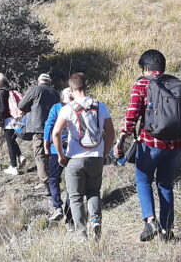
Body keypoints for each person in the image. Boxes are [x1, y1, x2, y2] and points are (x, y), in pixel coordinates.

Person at [116, 50, 181, 243]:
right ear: (163, 67)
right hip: (177, 144)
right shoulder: (176, 83)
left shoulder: (142, 84)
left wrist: (121, 140)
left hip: (151, 143)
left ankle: (150, 220)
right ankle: (167, 230)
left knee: (143, 180)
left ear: (146, 68)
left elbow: (132, 115)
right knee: (165, 185)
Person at [51, 73, 115, 241]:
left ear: (71, 89)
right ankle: (95, 220)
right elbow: (110, 133)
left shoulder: (67, 108)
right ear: (86, 86)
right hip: (95, 157)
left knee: (75, 196)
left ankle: (81, 233)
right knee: (94, 191)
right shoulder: (100, 106)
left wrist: (61, 155)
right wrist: (104, 153)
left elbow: (56, 133)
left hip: (75, 158)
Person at [19, 73, 61, 197]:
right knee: (51, 154)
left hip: (39, 128)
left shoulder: (35, 90)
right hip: (54, 127)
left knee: (40, 154)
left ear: (39, 81)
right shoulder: (55, 93)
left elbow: (21, 105)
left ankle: (45, 183)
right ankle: (54, 180)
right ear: (49, 82)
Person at [43, 86, 75, 225]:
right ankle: (59, 208)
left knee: (67, 182)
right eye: (68, 91)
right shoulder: (73, 107)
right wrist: (46, 142)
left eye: (71, 91)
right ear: (63, 96)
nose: (70, 92)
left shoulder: (59, 107)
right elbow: (48, 125)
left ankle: (64, 211)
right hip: (65, 149)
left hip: (65, 150)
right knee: (55, 179)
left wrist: (46, 143)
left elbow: (49, 125)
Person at [0, 73, 23, 175]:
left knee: (9, 143)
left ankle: (14, 166)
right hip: (16, 118)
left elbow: (2, 109)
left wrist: (0, 120)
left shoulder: (1, 92)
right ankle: (20, 156)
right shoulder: (10, 89)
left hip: (7, 120)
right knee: (13, 140)